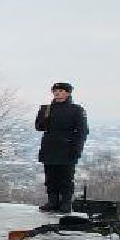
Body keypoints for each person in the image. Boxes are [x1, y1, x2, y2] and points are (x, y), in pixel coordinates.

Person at [34, 82, 89, 213]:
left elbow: (82, 131)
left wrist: (77, 149)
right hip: (50, 147)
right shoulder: (46, 109)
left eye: (61, 91)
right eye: (55, 91)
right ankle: (52, 201)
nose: (57, 93)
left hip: (67, 148)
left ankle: (65, 202)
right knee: (50, 177)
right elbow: (39, 127)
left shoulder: (76, 110)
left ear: (68, 93)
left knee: (66, 177)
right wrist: (44, 118)